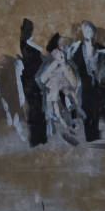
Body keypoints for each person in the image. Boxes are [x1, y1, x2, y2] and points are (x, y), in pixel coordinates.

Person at [38, 32, 83, 144]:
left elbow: (66, 72)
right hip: (54, 87)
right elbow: (43, 77)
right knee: (56, 111)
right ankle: (64, 129)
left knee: (64, 107)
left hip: (61, 86)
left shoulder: (62, 60)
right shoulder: (54, 60)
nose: (62, 53)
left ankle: (67, 128)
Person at [72, 20, 105, 143]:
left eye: (90, 30)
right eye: (85, 30)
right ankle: (89, 135)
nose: (88, 32)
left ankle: (95, 133)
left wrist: (99, 72)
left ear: (93, 32)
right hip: (84, 84)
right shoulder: (78, 49)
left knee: (96, 108)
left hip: (97, 83)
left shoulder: (99, 48)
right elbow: (73, 63)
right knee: (86, 109)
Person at [16, 19, 48, 147]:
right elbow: (40, 51)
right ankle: (38, 139)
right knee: (36, 110)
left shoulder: (25, 44)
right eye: (30, 30)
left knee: (37, 110)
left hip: (32, 81)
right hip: (31, 81)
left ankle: (38, 139)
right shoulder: (26, 44)